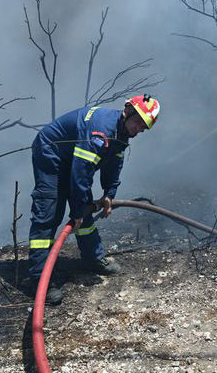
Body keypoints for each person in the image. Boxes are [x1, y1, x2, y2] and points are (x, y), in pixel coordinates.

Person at [27, 94, 160, 305]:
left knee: (85, 208)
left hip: (72, 158)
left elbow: (114, 164)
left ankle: (93, 259)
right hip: (51, 152)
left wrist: (109, 194)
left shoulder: (121, 133)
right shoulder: (101, 130)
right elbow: (81, 173)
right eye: (137, 123)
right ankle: (39, 280)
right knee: (49, 212)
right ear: (127, 111)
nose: (137, 130)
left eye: (143, 128)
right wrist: (77, 212)